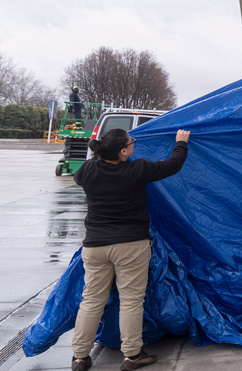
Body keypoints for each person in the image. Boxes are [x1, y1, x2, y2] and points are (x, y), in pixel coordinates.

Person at [70, 129, 190, 371]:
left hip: (95, 246)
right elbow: (173, 165)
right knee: (131, 301)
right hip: (130, 246)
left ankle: (80, 357)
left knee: (91, 301)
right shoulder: (137, 170)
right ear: (123, 152)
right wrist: (181, 144)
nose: (134, 144)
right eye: (131, 142)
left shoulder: (86, 171)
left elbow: (91, 167)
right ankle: (132, 356)